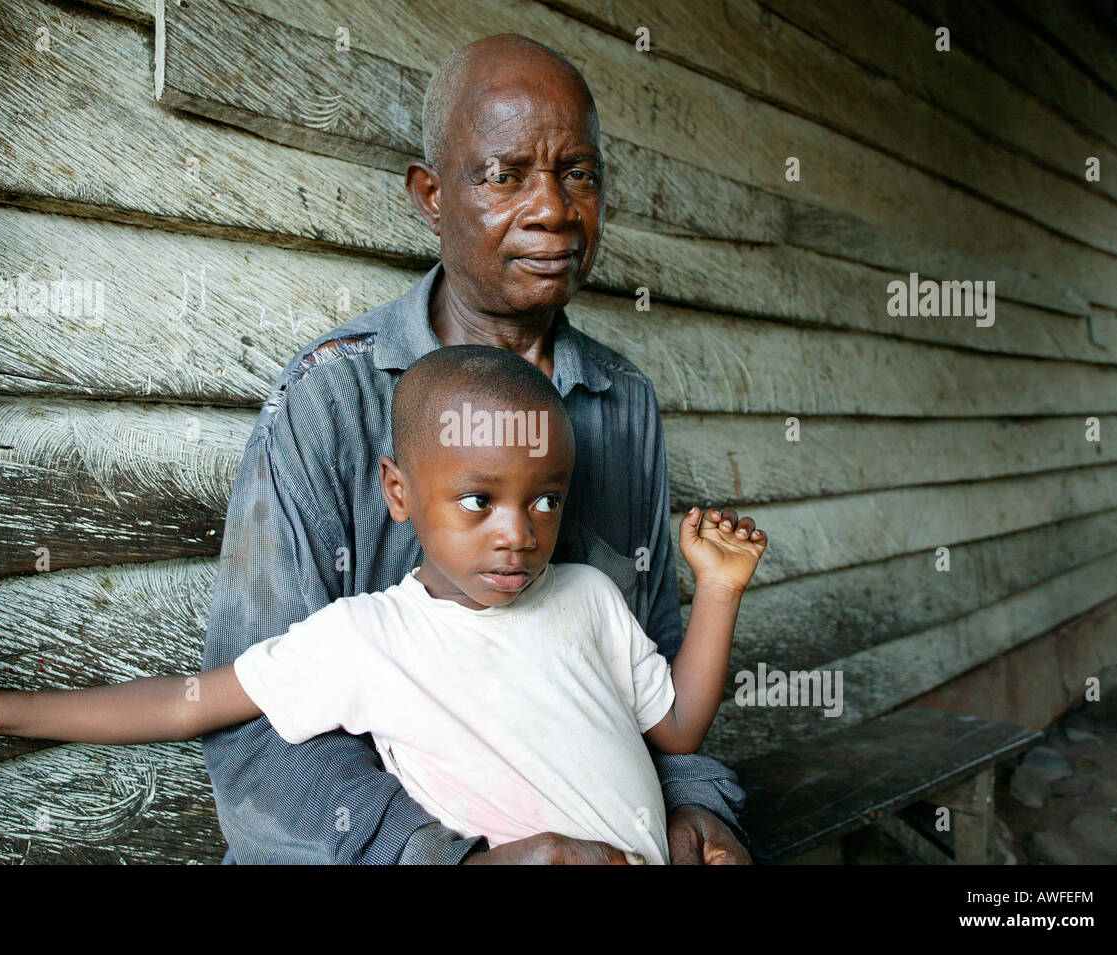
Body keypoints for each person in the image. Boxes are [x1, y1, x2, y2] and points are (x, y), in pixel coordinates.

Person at [204, 31, 760, 864]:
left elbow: (646, 677)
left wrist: (696, 807)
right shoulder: (333, 398)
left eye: (579, 172)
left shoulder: (619, 402)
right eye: (505, 175)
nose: (555, 209)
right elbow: (251, 722)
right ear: (431, 196)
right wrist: (452, 858)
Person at [0, 347, 767, 866]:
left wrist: (718, 591)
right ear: (398, 490)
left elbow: (677, 729)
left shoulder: (586, 596)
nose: (519, 532)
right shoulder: (367, 639)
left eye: (546, 498)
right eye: (478, 501)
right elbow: (186, 701)